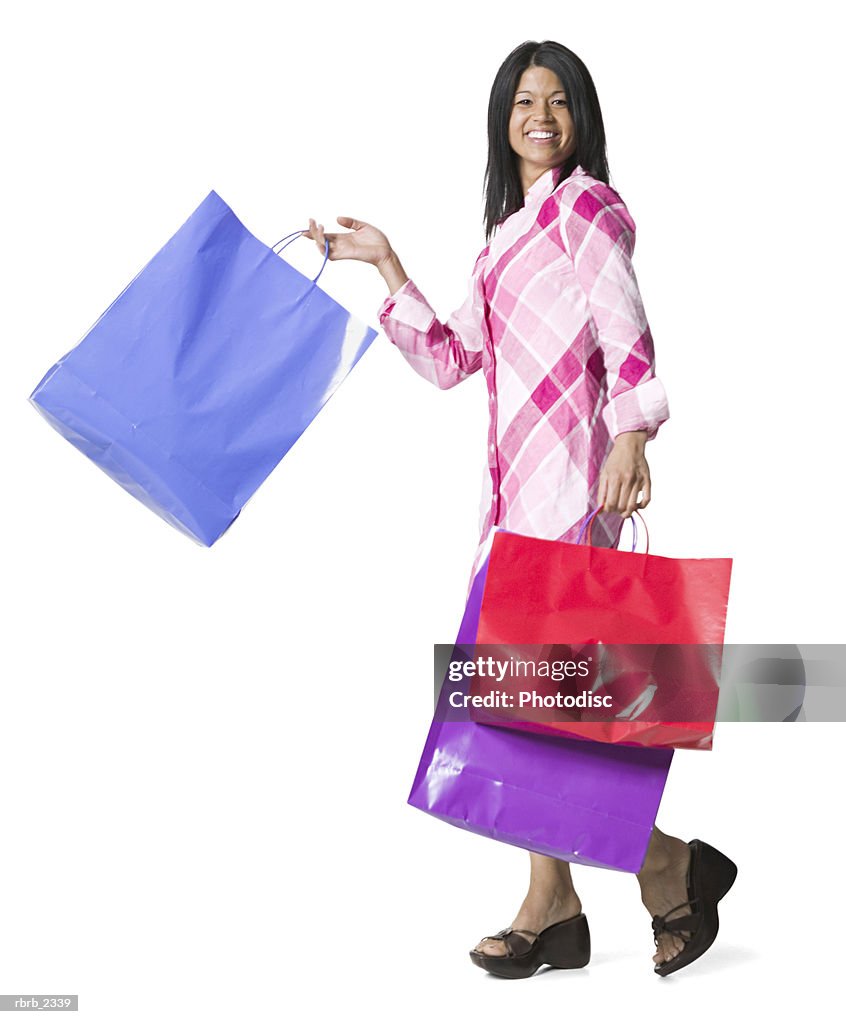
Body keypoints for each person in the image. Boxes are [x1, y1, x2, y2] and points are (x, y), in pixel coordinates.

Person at [303, 38, 736, 979]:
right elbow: (455, 357)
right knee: (525, 707)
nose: (539, 116)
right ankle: (628, 882)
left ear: (578, 117)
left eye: (556, 101)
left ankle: (614, 885)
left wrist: (632, 434)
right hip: (512, 506)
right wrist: (387, 265)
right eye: (521, 103)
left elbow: (626, 325)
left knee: (557, 707)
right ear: (504, 124)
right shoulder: (506, 237)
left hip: (574, 491)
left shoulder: (586, 208)